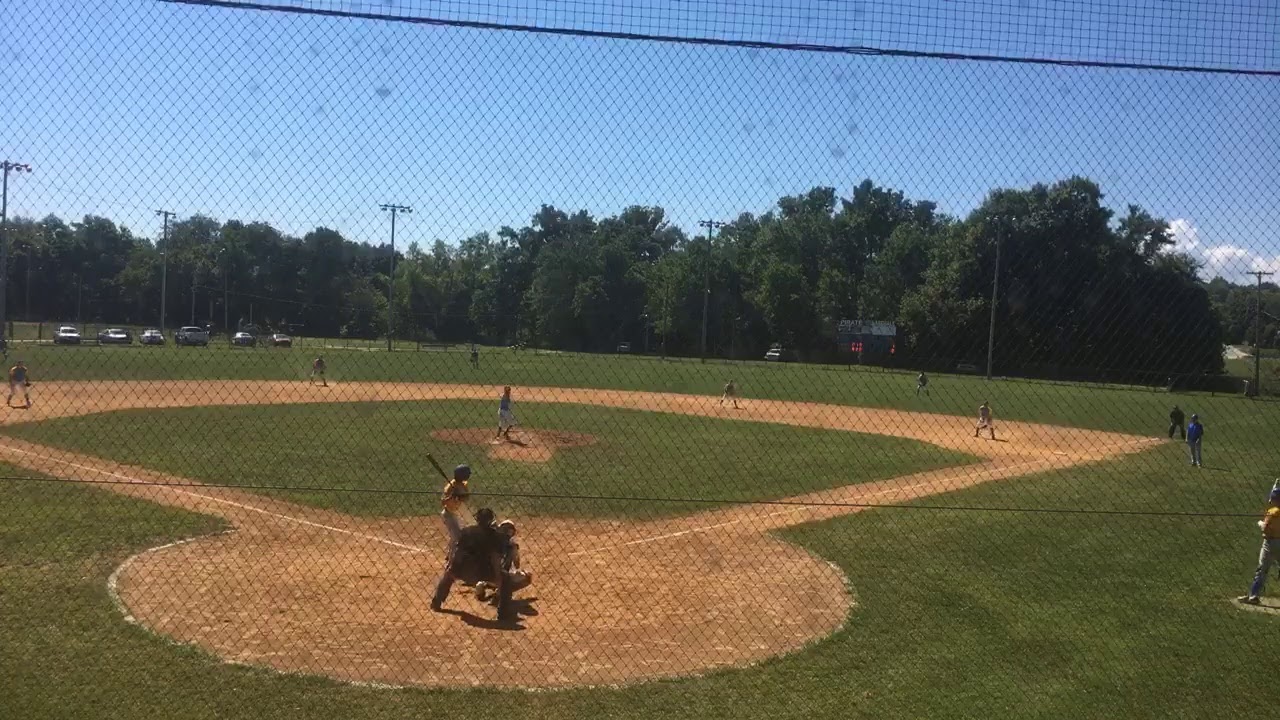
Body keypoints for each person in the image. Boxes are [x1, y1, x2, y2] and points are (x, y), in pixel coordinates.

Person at [431, 507, 520, 621]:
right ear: (490, 521)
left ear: (477, 519)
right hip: (485, 573)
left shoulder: (466, 532)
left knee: (448, 575)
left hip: (465, 572)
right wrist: (498, 576)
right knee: (506, 579)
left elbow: (458, 553)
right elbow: (495, 558)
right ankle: (503, 613)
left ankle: (436, 602)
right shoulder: (495, 536)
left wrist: (452, 570)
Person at [1237, 482, 1280, 605]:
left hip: (1270, 544)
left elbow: (1265, 528)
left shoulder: (1272, 512)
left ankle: (1253, 595)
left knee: (1262, 570)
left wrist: (1261, 523)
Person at [476, 519, 533, 602]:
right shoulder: (512, 546)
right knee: (528, 576)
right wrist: (515, 552)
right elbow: (517, 565)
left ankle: (481, 586)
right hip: (504, 577)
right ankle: (501, 591)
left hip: (487, 576)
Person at [440, 464, 472, 558]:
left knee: (456, 535)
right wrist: (451, 496)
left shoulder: (463, 485)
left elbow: (466, 497)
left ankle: (449, 554)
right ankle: (451, 558)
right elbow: (443, 502)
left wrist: (460, 496)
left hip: (457, 514)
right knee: (457, 536)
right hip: (448, 514)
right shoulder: (450, 487)